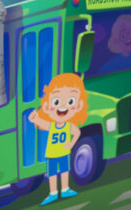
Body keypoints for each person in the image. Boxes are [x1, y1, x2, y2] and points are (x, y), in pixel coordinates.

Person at [27, 72, 89, 205]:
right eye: (56, 102)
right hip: (52, 154)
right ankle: (53, 193)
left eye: (70, 101)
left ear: (79, 105)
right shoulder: (52, 126)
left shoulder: (68, 125)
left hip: (63, 153)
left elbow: (77, 132)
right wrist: (34, 118)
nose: (62, 107)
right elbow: (40, 123)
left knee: (65, 171)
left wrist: (71, 144)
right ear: (47, 107)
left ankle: (65, 189)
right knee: (52, 174)